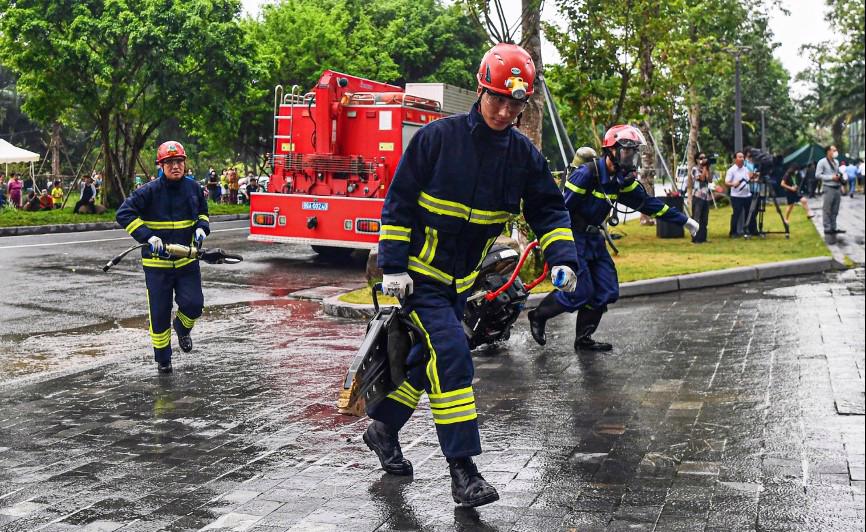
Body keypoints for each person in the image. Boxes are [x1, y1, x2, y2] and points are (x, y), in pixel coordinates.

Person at [369, 43, 579, 508]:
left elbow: (549, 209)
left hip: (462, 285)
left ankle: (383, 428)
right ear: (480, 91)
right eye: (497, 99)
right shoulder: (437, 139)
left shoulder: (523, 156)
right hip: (417, 280)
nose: (505, 111)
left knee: (430, 364)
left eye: (515, 103)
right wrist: (394, 267)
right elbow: (398, 204)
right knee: (452, 355)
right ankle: (462, 471)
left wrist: (563, 258)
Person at [528, 124, 699, 353]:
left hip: (593, 239)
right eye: (627, 151)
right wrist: (552, 242)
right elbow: (560, 209)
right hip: (573, 237)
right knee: (580, 290)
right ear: (611, 151)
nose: (631, 157)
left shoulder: (621, 182)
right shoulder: (587, 174)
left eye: (633, 152)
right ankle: (538, 316)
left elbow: (649, 205)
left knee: (606, 289)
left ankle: (584, 339)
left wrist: (684, 220)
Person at [116, 141, 210, 373]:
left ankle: (182, 327)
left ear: (184, 163)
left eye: (178, 161)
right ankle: (163, 360)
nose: (175, 166)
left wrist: (201, 228)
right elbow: (123, 213)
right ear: (161, 165)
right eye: (169, 163)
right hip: (157, 265)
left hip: (187, 261)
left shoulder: (194, 188)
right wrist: (148, 237)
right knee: (158, 314)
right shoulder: (148, 191)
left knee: (194, 305)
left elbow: (203, 214)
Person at [725, 151, 756, 237]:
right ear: (735, 159)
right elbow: (727, 182)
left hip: (747, 195)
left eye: (743, 157)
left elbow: (749, 179)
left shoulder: (746, 169)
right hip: (736, 196)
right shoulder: (731, 170)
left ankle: (751, 230)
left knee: (750, 213)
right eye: (739, 157)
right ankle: (733, 232)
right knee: (736, 214)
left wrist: (753, 176)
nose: (742, 159)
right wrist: (733, 184)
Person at [816, 145, 845, 235]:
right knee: (827, 209)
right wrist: (831, 177)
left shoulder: (836, 162)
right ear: (828, 151)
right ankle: (827, 228)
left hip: (837, 187)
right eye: (834, 150)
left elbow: (837, 174)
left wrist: (841, 183)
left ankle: (833, 227)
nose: (835, 152)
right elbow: (817, 175)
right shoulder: (822, 162)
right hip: (828, 187)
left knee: (835, 209)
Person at [691, 153, 711, 243]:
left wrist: (707, 168)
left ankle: (703, 237)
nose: (703, 159)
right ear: (696, 160)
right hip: (698, 196)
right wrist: (705, 169)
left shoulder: (705, 169)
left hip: (706, 197)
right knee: (697, 218)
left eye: (704, 158)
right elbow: (702, 179)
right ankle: (695, 238)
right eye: (701, 158)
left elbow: (709, 180)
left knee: (704, 219)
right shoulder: (694, 169)